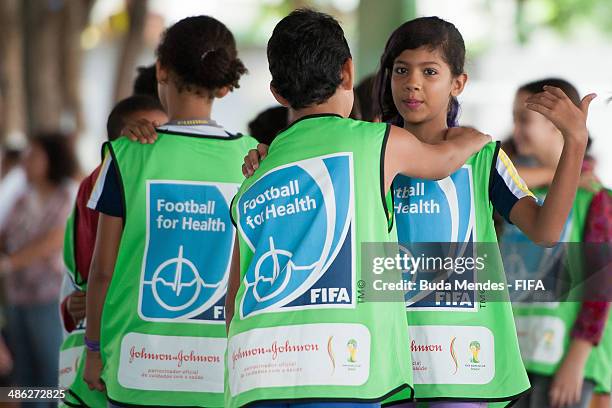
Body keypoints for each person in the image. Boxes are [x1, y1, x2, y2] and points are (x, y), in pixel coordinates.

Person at [242, 16, 594, 408]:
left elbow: (545, 231)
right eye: (401, 70)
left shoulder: (482, 158)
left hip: (459, 365)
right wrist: (267, 160)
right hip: (379, 365)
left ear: (458, 83)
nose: (413, 83)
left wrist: (574, 142)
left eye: (430, 72)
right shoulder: (365, 151)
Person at [226, 9, 491, 408]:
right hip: (342, 366)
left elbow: (234, 295)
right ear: (348, 73)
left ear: (278, 93)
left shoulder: (257, 173)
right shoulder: (377, 142)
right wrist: (474, 138)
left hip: (257, 369)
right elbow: (442, 163)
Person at [83, 15, 257, 408]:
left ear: (161, 68)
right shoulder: (253, 159)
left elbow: (103, 270)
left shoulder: (127, 155)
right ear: (226, 85)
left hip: (137, 368)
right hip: (222, 370)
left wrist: (93, 350)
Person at [499, 78, 611, 408]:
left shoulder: (594, 198)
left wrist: (577, 359)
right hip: (516, 357)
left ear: (555, 125)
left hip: (565, 363)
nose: (515, 128)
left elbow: (602, 287)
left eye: (524, 118)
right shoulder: (515, 192)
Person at [58, 95, 167, 408]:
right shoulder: (98, 185)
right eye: (146, 131)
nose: (155, 140)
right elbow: (89, 270)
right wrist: (74, 308)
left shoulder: (169, 179)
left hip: (151, 352)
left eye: (163, 130)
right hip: (108, 351)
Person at [0, 133, 78, 408]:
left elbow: (54, 239)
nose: (26, 162)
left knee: (50, 372)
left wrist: (10, 262)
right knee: (24, 375)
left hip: (49, 299)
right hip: (18, 298)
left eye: (34, 155)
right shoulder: (22, 198)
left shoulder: (67, 195)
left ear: (52, 159)